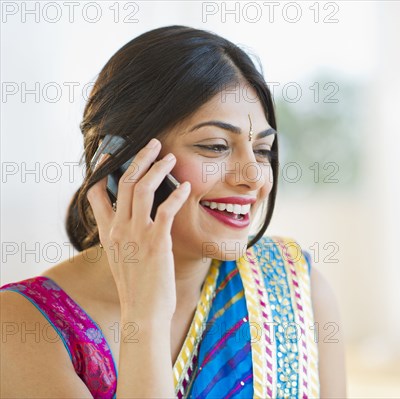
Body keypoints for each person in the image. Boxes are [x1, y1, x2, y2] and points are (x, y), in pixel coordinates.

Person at [0, 25, 346, 398]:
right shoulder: (22, 326)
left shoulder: (296, 289)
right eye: (215, 146)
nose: (254, 177)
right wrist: (145, 317)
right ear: (123, 162)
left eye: (262, 151)